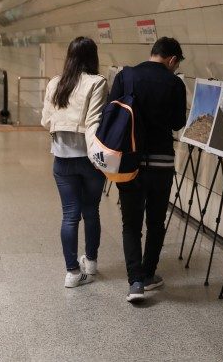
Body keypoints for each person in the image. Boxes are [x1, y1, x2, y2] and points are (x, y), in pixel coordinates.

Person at [110, 36, 186, 302]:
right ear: (172, 60)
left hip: (130, 162)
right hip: (161, 164)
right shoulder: (174, 83)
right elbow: (178, 123)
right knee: (155, 222)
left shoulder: (126, 76)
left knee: (130, 224)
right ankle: (148, 273)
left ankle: (135, 283)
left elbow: (113, 111)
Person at [41, 36, 108, 288]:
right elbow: (93, 122)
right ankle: (90, 263)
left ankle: (72, 272)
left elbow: (46, 121)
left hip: (62, 159)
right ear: (93, 57)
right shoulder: (97, 83)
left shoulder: (55, 84)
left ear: (69, 57)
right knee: (91, 211)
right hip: (90, 160)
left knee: (70, 215)